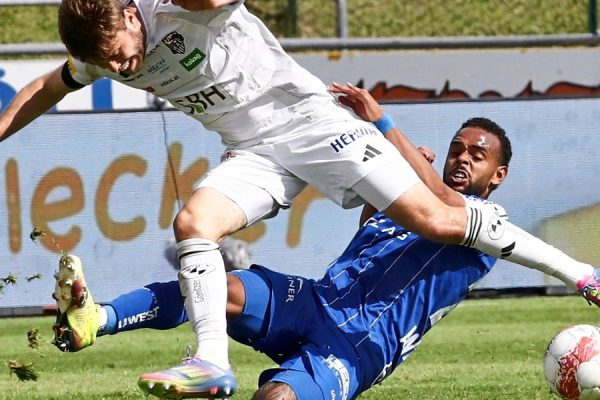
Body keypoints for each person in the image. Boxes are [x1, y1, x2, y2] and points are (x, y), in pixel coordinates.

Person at [3, 1, 598, 397]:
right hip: (258, 157)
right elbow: (44, 87)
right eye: (107, 62)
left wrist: (577, 273)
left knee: (437, 220)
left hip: (313, 125)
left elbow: (446, 202)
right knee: (193, 225)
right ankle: (208, 362)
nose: (121, 65)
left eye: (121, 51)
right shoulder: (101, 53)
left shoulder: (182, 11)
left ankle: (585, 274)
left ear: (133, 13)